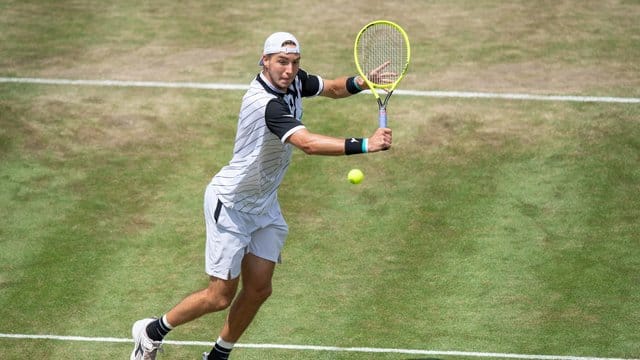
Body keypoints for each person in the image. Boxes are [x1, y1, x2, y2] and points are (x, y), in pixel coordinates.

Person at [131, 31, 392, 360]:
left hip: (264, 203)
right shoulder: (265, 104)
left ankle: (217, 356)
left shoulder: (295, 81)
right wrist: (365, 144)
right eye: (282, 62)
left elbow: (333, 87)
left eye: (294, 63)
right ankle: (151, 332)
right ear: (264, 61)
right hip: (232, 205)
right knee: (219, 296)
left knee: (258, 289)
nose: (289, 70)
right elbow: (308, 145)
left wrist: (362, 82)